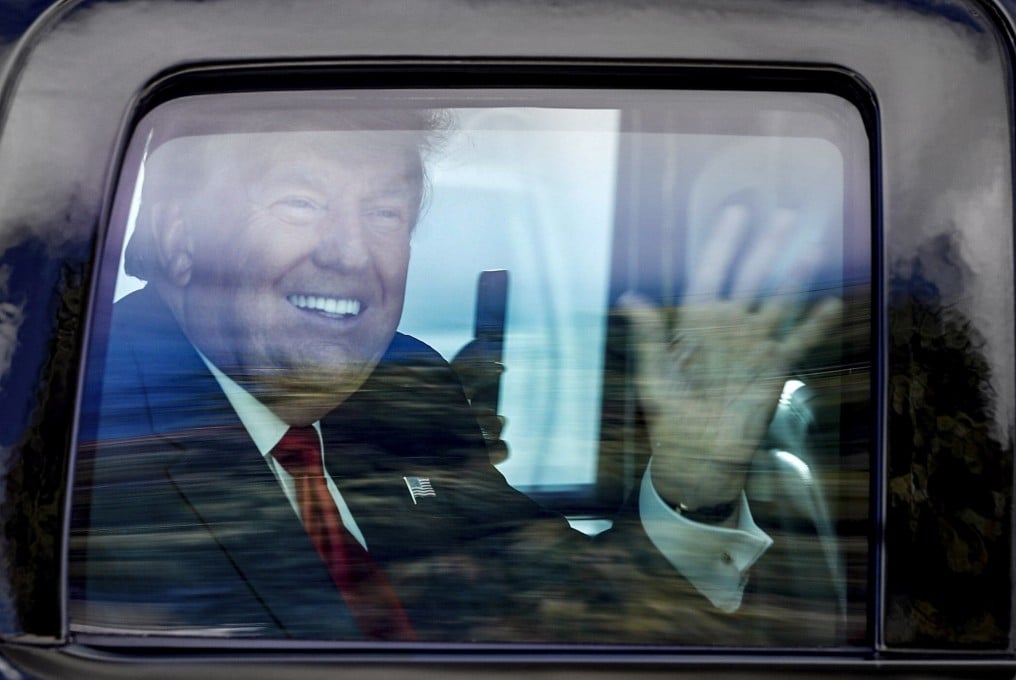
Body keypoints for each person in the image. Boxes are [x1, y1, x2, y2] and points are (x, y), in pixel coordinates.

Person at [72, 106, 842, 643]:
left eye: (385, 215)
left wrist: (691, 483)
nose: (349, 253)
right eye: (301, 202)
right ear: (180, 240)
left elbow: (563, 605)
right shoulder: (82, 413)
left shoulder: (410, 386)